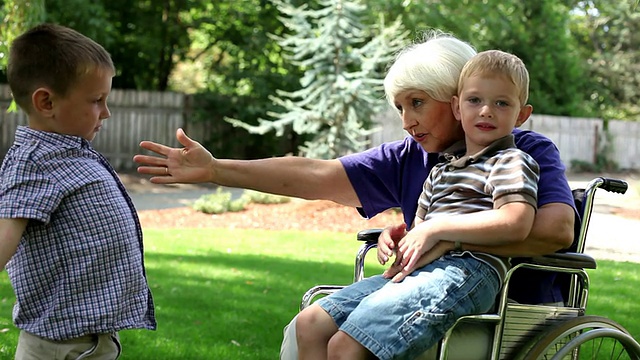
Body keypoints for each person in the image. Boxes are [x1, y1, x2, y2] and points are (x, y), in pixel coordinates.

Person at [133, 31, 575, 358]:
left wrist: (443, 234)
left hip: (503, 313)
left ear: (453, 99)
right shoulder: (413, 156)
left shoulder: (521, 149)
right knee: (306, 328)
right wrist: (216, 169)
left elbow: (554, 229)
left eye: (418, 102)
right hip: (418, 286)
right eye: (400, 107)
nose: (407, 120)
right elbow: (314, 174)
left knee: (348, 345)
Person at [294, 49, 539, 359]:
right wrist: (399, 237)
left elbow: (516, 222)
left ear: (521, 116)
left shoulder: (512, 161)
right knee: (311, 323)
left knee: (347, 346)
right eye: (475, 101)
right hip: (420, 269)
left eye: (501, 103)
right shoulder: (442, 169)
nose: (486, 111)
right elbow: (420, 231)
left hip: (468, 271)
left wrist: (439, 230)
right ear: (457, 107)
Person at [0, 24, 156, 359]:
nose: (106, 112)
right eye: (97, 100)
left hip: (91, 339)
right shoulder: (36, 162)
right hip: (57, 347)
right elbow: (4, 233)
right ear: (46, 102)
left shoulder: (72, 152)